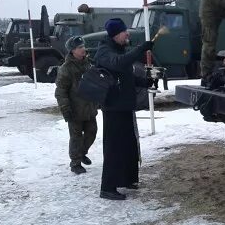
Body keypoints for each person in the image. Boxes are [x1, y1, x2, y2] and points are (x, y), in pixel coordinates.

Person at [94, 18, 154, 200]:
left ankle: (127, 179)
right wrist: (141, 49)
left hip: (125, 105)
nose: (127, 34)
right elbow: (119, 63)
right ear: (115, 34)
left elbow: (125, 75)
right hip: (113, 108)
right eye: (124, 32)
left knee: (128, 145)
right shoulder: (104, 51)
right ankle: (108, 187)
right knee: (114, 147)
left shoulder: (119, 50)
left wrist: (145, 82)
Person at [54, 36, 98, 175]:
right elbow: (60, 92)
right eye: (80, 47)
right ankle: (75, 163)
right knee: (76, 137)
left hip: (89, 108)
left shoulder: (88, 64)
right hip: (75, 110)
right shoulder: (66, 69)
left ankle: (82, 153)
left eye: (83, 46)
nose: (83, 49)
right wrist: (66, 110)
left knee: (92, 132)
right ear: (72, 51)